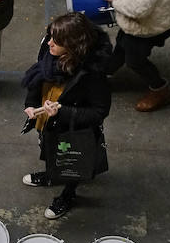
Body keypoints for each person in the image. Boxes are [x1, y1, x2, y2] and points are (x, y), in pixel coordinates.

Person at [21, 12, 111, 220]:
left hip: (73, 129)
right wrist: (31, 104)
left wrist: (63, 113)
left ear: (73, 46)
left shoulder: (93, 74)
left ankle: (68, 194)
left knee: (72, 163)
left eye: (56, 41)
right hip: (48, 120)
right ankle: (51, 175)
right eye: (51, 37)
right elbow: (38, 77)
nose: (49, 43)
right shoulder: (50, 49)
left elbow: (99, 111)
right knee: (49, 149)